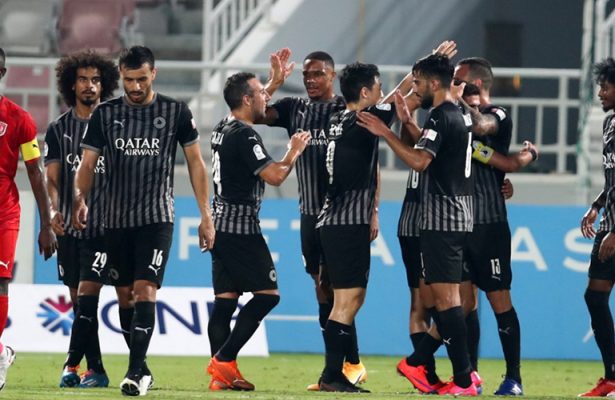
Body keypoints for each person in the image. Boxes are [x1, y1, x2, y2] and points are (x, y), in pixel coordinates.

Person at [73, 45, 215, 396]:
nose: (135, 87)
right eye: (128, 80)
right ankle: (143, 367)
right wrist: (79, 198)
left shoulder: (176, 111)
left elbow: (196, 163)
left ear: (154, 73)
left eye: (141, 79)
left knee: (144, 289)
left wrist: (206, 214)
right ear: (121, 75)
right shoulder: (105, 113)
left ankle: (135, 372)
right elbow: (87, 163)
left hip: (156, 218)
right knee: (125, 297)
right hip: (115, 219)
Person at [357, 53, 477, 396]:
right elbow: (433, 151)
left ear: (435, 83)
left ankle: (461, 380)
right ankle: (438, 368)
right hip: (461, 214)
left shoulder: (440, 115)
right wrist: (407, 122)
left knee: (447, 302)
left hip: (441, 218)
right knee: (453, 302)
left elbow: (420, 161)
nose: (417, 88)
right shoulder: (458, 114)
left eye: (419, 82)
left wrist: (385, 131)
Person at [256, 49, 368, 388]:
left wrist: (373, 210)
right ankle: (344, 364)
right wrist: (274, 82)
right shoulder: (295, 108)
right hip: (309, 213)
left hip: (342, 215)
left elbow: (370, 163)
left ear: (332, 76)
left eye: (318, 74)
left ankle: (350, 363)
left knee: (342, 291)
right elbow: (256, 113)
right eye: (306, 75)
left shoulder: (346, 109)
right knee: (322, 289)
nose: (310, 80)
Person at [206, 72, 310, 391]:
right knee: (267, 295)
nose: (267, 96)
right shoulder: (245, 136)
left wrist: (274, 81)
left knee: (225, 302)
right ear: (246, 99)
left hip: (219, 224)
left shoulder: (222, 126)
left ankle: (221, 377)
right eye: (261, 92)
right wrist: (293, 150)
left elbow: (253, 101)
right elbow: (275, 176)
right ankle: (223, 360)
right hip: (240, 228)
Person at [454, 57, 539, 396]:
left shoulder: (498, 113)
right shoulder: (452, 114)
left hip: (489, 225)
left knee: (498, 299)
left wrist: (455, 100)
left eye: (459, 80)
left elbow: (481, 128)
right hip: (457, 222)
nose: (454, 84)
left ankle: (513, 378)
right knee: (464, 305)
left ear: (476, 83)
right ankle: (469, 377)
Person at [45, 50, 125, 388]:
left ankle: (72, 365)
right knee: (80, 303)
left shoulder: (116, 126)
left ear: (104, 85)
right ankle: (97, 369)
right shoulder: (58, 129)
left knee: (91, 296)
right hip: (69, 230)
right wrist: (53, 212)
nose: (89, 86)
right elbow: (51, 179)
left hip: (105, 228)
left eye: (95, 80)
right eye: (82, 79)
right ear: (71, 84)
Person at [314, 62, 395, 393]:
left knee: (346, 300)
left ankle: (333, 373)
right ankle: (333, 375)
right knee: (347, 302)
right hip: (347, 223)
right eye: (377, 86)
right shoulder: (365, 121)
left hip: (333, 221)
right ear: (364, 92)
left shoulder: (339, 119)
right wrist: (423, 69)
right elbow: (405, 97)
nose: (381, 92)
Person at [0, 47, 57, 390]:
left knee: (0, 282)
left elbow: (35, 173)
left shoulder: (20, 119)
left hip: (4, 212)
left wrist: (47, 224)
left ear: (3, 73)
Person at [579, 57, 615, 397]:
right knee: (595, 296)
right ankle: (612, 375)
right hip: (608, 222)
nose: (600, 93)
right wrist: (597, 204)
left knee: (596, 295)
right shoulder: (609, 123)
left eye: (605, 86)